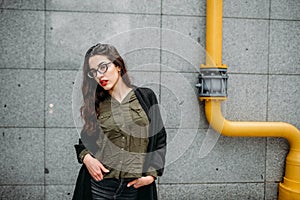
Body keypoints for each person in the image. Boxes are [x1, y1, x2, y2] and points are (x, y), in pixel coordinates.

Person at [72, 43, 167, 200]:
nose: (99, 75)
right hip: (100, 186)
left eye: (103, 67)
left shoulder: (146, 97)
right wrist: (87, 158)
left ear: (118, 66)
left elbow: (160, 138)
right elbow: (85, 141)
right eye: (93, 72)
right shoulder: (96, 104)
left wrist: (151, 175)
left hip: (133, 188)